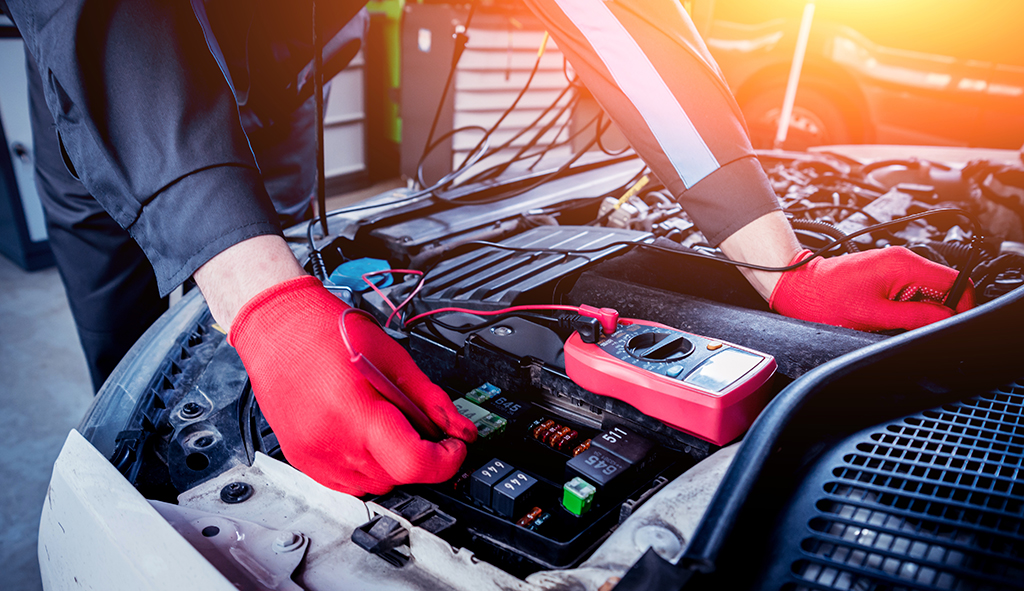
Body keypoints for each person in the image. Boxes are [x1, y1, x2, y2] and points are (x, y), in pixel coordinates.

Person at [3, 0, 974, 496]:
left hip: (274, 84)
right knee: (141, 392)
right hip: (97, 98)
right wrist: (254, 295)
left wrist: (778, 264)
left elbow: (612, 16)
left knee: (287, 260)